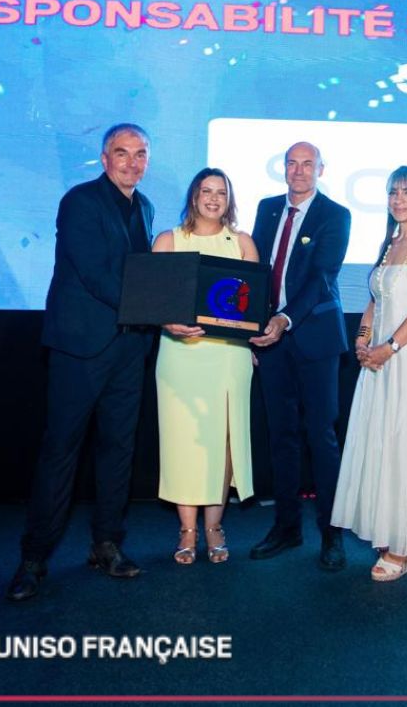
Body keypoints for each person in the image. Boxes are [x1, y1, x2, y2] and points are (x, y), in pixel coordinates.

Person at [6, 123, 156, 601]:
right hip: (80, 349)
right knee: (61, 451)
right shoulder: (80, 201)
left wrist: (158, 314)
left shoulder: (145, 207)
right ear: (105, 158)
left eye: (140, 153)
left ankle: (106, 545)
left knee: (118, 450)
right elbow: (95, 275)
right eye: (122, 153)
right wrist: (159, 314)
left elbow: (145, 275)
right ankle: (34, 558)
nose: (131, 162)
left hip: (129, 350)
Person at [331, 166, 407, 582]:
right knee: (381, 442)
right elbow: (376, 299)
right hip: (378, 360)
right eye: (393, 192)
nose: (399, 200)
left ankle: (404, 545)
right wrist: (363, 339)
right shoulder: (391, 241)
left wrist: (390, 347)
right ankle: (390, 531)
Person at [248, 142, 352, 571]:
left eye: (308, 164)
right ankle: (286, 527)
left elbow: (321, 279)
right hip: (269, 341)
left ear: (320, 170)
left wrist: (284, 319)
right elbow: (255, 272)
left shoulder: (336, 215)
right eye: (292, 163)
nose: (299, 171)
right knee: (281, 436)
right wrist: (251, 330)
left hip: (315, 339)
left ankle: (331, 533)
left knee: (321, 437)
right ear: (284, 169)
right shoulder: (268, 208)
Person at [153, 168, 259, 564]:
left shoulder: (242, 242)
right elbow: (152, 298)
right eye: (206, 191)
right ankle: (187, 530)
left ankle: (214, 527)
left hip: (228, 356)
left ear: (229, 200)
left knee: (222, 442)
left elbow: (253, 305)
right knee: (184, 441)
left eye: (221, 192)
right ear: (193, 196)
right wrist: (168, 321)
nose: (213, 198)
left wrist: (247, 334)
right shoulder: (168, 240)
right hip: (180, 355)